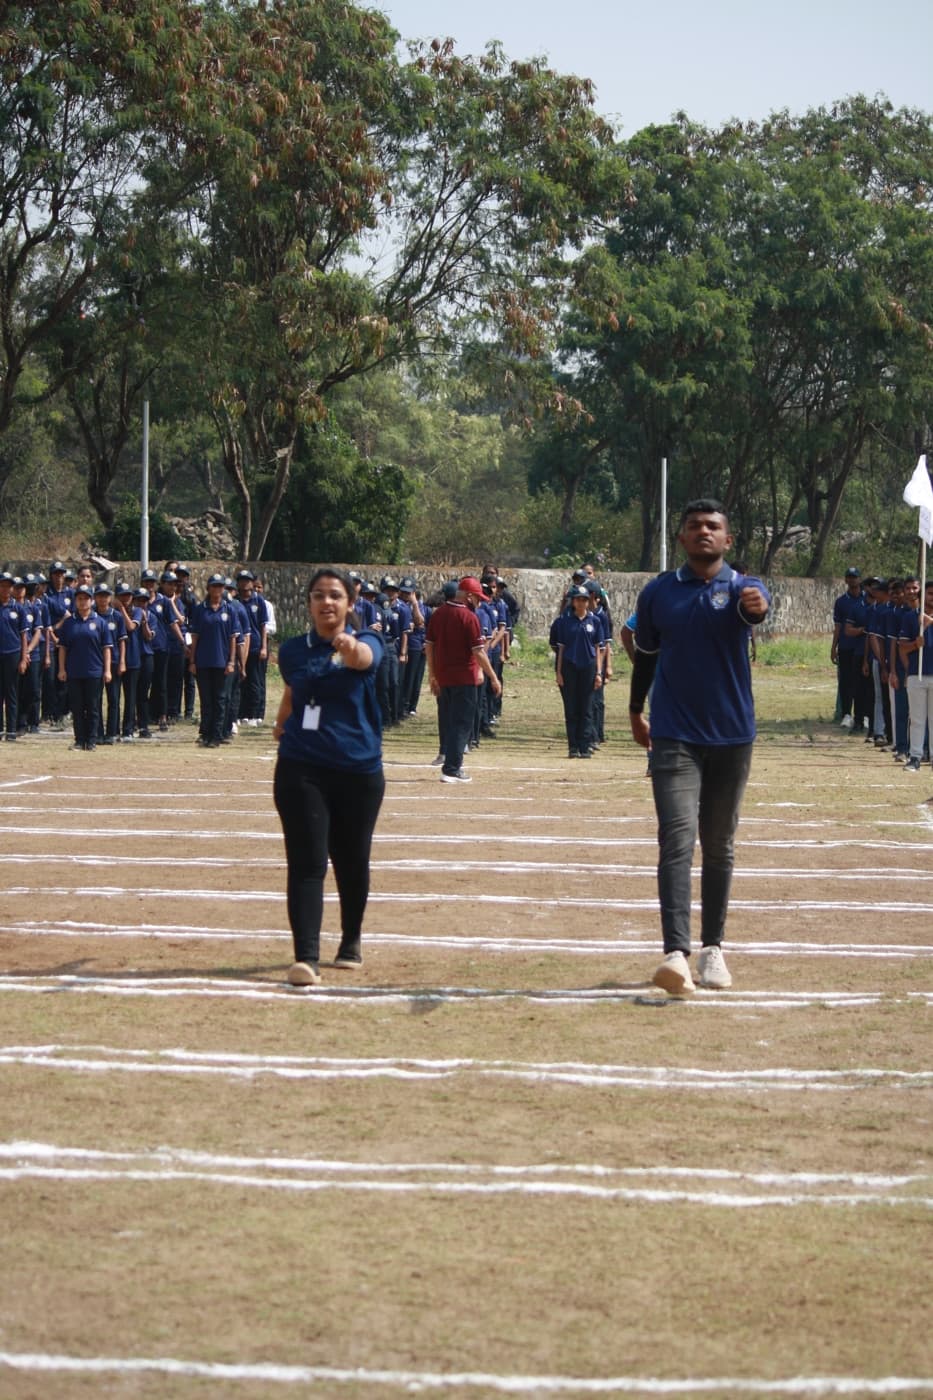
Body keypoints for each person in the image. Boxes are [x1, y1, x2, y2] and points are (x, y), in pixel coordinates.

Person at [629, 499, 771, 995]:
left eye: (714, 527)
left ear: (727, 540)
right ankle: (676, 953)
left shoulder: (743, 588)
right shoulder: (658, 593)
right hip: (673, 735)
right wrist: (633, 709)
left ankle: (713, 949)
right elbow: (645, 655)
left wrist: (756, 610)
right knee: (676, 838)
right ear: (683, 538)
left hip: (733, 736)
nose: (704, 533)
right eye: (695, 527)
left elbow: (755, 611)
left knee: (719, 845)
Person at [272, 567, 386, 987]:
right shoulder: (292, 651)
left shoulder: (370, 639)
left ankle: (351, 939)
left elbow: (363, 659)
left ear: (350, 603)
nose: (327, 602)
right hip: (303, 767)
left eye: (335, 596)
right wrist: (282, 722)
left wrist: (349, 645)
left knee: (352, 860)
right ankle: (306, 957)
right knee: (307, 861)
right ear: (308, 604)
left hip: (358, 770)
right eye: (318, 596)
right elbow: (295, 691)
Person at [425, 576, 502, 784]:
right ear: (468, 597)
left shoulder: (438, 614)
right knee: (462, 724)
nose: (479, 602)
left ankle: (450, 762)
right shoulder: (469, 618)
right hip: (465, 679)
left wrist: (432, 675)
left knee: (450, 722)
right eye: (477, 598)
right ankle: (452, 768)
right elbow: (478, 652)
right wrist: (493, 677)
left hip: (443, 678)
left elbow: (429, 647)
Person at [58, 584, 113, 750]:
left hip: (94, 672)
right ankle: (79, 740)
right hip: (74, 672)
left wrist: (107, 670)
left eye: (86, 598)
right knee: (77, 707)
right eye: (79, 598)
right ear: (75, 601)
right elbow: (62, 648)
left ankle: (91, 740)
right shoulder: (69, 623)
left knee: (93, 707)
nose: (83, 602)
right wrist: (61, 669)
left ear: (92, 600)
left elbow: (107, 648)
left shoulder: (100, 622)